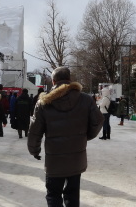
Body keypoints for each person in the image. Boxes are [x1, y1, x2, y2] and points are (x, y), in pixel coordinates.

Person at [28, 66, 104, 206]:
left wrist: (34, 149)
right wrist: (85, 136)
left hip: (54, 159)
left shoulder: (44, 103)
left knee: (53, 194)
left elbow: (35, 131)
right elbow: (98, 120)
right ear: (70, 79)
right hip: (76, 157)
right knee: (73, 194)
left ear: (53, 81)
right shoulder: (85, 99)